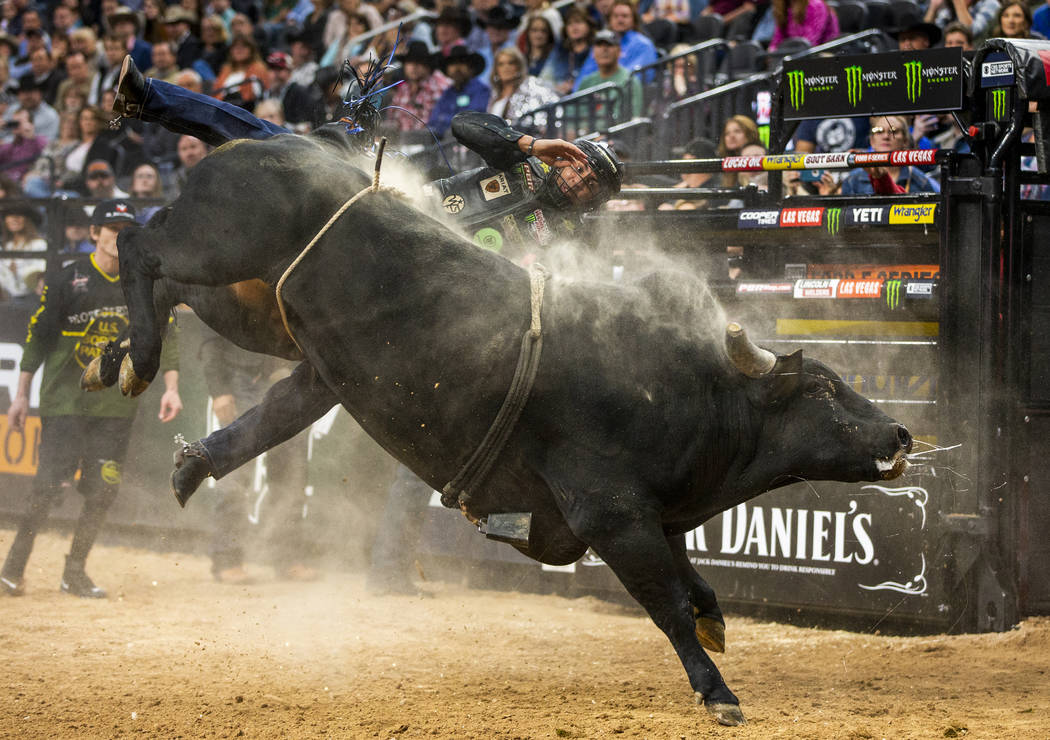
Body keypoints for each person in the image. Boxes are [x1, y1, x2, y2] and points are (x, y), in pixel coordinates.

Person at [0, 198, 182, 598]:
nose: (120, 236)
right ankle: (12, 568)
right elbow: (37, 340)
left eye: (127, 229)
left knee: (103, 491)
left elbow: (164, 336)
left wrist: (171, 386)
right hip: (66, 403)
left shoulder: (143, 282)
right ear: (94, 234)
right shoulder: (68, 279)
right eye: (112, 229)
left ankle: (74, 572)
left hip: (116, 407)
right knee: (46, 487)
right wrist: (20, 396)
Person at [199, 328, 320, 584]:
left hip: (289, 376)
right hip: (241, 377)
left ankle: (286, 557)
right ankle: (226, 559)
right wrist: (219, 389)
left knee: (292, 473)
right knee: (236, 473)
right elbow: (210, 335)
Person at [841, 116, 941, 195]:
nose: (886, 136)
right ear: (872, 141)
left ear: (905, 141)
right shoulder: (852, 180)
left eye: (893, 131)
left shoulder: (923, 182)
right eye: (879, 131)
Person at [574, 1, 658, 88]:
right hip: (596, 95)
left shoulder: (643, 44)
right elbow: (584, 76)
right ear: (609, 20)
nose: (620, 20)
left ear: (633, 20)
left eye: (624, 16)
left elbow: (634, 79)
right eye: (615, 16)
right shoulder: (600, 44)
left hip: (623, 94)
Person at [574, 30, 643, 122]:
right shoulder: (587, 81)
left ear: (619, 51)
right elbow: (572, 114)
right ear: (593, 53)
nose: (604, 49)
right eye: (599, 45)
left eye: (609, 45)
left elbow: (632, 118)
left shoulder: (630, 81)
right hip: (583, 134)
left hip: (614, 135)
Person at [428, 45, 491, 138]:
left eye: (462, 63)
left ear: (471, 68)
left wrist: (444, 123)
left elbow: (472, 122)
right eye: (452, 64)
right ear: (447, 70)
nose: (457, 68)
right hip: (445, 143)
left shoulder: (481, 91)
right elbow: (433, 121)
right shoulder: (447, 93)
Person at [389, 41, 451, 133]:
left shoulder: (439, 86)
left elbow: (440, 122)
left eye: (419, 62)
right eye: (409, 62)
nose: (413, 67)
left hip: (431, 141)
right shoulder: (403, 89)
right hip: (401, 141)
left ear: (427, 65)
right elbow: (392, 118)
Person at [486, 47, 558, 123]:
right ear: (496, 69)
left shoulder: (530, 88)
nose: (506, 67)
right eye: (501, 64)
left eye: (511, 63)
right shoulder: (494, 95)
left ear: (518, 66)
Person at [212, 33, 270, 111]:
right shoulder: (226, 69)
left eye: (244, 46)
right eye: (235, 47)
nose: (239, 50)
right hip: (222, 110)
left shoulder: (258, 68)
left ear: (251, 50)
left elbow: (260, 96)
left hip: (247, 111)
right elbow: (216, 94)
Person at [0, 202, 47, 298]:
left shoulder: (38, 244)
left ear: (28, 220)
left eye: (19, 216)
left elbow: (39, 275)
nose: (14, 219)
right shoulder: (6, 246)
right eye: (10, 215)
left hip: (30, 298)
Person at [551, 7, 594, 96]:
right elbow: (547, 76)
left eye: (578, 22)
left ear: (588, 26)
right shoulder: (560, 51)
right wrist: (559, 86)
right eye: (569, 24)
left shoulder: (595, 50)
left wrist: (574, 86)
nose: (574, 27)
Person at [768, 0, 839, 52]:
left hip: (823, 54)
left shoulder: (816, 4)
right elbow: (777, 39)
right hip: (793, 53)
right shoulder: (784, 8)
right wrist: (772, 50)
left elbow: (810, 42)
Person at [0, 107, 46, 182]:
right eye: (14, 122)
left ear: (30, 123)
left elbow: (45, 152)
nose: (16, 125)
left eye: (19, 122)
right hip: (7, 183)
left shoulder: (39, 140)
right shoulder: (10, 146)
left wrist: (30, 135)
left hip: (25, 182)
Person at [924, 0, 1001, 41]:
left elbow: (971, 31)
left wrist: (959, 3)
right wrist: (933, 7)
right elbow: (927, 36)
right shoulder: (948, 10)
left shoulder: (989, 3)